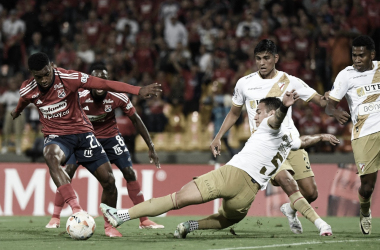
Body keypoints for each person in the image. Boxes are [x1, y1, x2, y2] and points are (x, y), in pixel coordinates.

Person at [100, 91, 338, 237]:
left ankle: (122, 215)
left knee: (176, 199)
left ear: (270, 113)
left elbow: (276, 119)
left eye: (259, 111)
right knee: (227, 219)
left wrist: (284, 106)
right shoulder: (288, 139)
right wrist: (321, 137)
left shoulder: (269, 124)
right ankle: (190, 226)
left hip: (231, 176)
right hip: (249, 193)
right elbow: (302, 141)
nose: (255, 116)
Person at [11, 52, 161, 237]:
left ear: (52, 66)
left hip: (83, 134)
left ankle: (109, 226)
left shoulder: (70, 78)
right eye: (38, 76)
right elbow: (23, 101)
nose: (43, 79)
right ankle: (75, 209)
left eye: (46, 73)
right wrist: (16, 112)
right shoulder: (28, 89)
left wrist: (138, 90)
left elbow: (104, 84)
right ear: (31, 73)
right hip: (57, 136)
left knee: (109, 180)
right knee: (51, 156)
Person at [209, 39, 329, 235]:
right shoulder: (244, 83)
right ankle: (320, 225)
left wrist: (333, 96)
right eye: (258, 59)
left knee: (310, 193)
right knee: (284, 177)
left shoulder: (289, 81)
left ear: (276, 58)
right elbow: (233, 113)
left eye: (266, 58)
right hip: (266, 146)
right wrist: (218, 136)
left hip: (291, 142)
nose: (262, 62)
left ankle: (290, 209)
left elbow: (320, 102)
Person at [45, 64, 164, 232]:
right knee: (69, 170)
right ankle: (55, 217)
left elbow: (136, 120)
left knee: (129, 173)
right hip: (85, 137)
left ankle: (143, 220)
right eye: (97, 79)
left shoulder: (118, 97)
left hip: (110, 138)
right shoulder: (79, 95)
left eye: (104, 80)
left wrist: (150, 146)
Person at [326, 35, 379, 235]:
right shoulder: (346, 75)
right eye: (354, 55)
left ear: (372, 55)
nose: (356, 59)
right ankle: (365, 211)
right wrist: (336, 112)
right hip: (365, 134)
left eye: (361, 55)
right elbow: (329, 105)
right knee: (367, 187)